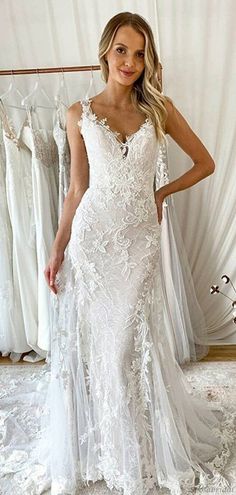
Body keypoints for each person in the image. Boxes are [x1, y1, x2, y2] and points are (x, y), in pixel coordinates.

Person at [9, 10, 228, 495]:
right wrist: (57, 249)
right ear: (106, 51)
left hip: (137, 243)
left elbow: (206, 163)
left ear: (148, 60)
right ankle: (103, 448)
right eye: (122, 49)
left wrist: (160, 194)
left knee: (125, 348)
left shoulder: (159, 110)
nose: (130, 61)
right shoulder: (78, 114)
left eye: (140, 52)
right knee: (99, 351)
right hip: (93, 241)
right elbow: (76, 190)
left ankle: (132, 458)